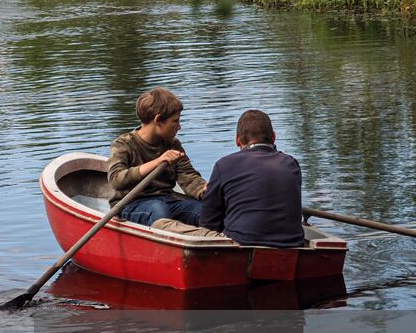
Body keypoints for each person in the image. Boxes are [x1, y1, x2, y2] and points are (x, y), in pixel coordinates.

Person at [197, 109, 307, 248]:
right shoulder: (291, 164)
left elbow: (208, 224)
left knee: (163, 223)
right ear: (273, 137)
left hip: (240, 246)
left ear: (238, 140)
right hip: (292, 245)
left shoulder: (224, 165)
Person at [107, 87, 209, 228]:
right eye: (175, 121)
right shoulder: (124, 144)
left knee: (206, 211)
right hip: (130, 204)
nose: (179, 127)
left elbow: (188, 176)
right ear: (158, 120)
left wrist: (205, 190)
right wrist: (158, 161)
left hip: (168, 200)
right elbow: (116, 180)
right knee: (158, 209)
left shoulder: (172, 144)